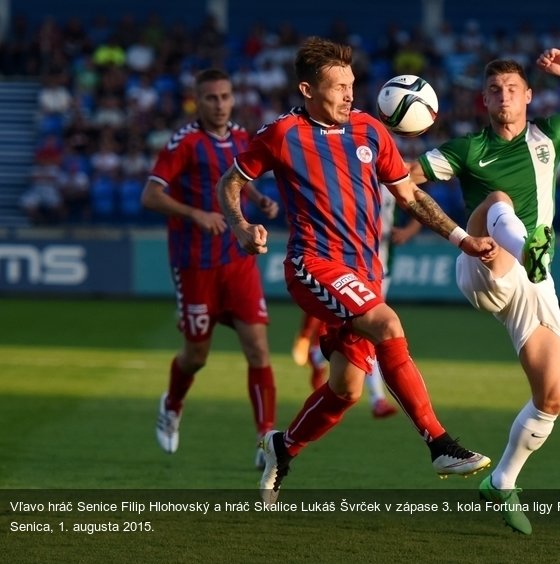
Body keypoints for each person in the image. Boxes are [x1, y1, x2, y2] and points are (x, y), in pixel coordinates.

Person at [215, 36, 497, 504]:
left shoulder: (370, 130)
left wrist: (463, 240)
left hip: (365, 273)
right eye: (338, 86)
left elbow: (411, 196)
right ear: (307, 90)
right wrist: (241, 225)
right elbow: (231, 182)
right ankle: (439, 443)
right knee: (387, 324)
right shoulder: (282, 135)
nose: (349, 94)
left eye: (351, 84)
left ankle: (281, 448)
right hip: (313, 263)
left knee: (345, 389)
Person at [408, 50, 560, 534]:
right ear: (482, 99)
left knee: (552, 397)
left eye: (512, 88)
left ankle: (503, 481)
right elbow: (403, 181)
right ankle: (529, 244)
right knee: (498, 200)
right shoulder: (466, 150)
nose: (504, 96)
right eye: (494, 90)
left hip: (532, 282)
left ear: (529, 95)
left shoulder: (550, 135)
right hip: (482, 261)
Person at [141, 68, 279, 469]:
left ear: (233, 98)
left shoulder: (240, 137)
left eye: (225, 96)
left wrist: (259, 198)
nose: (219, 104)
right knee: (196, 356)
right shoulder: (184, 143)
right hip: (195, 264)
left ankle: (265, 438)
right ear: (196, 102)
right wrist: (196, 215)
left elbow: (237, 178)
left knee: (258, 348)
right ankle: (172, 403)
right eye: (210, 98)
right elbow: (151, 195)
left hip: (237, 260)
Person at [292, 185, 421, 418]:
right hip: (351, 266)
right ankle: (377, 399)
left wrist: (408, 231)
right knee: (373, 332)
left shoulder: (392, 174)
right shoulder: (350, 174)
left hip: (382, 266)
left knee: (365, 332)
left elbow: (417, 202)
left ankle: (317, 355)